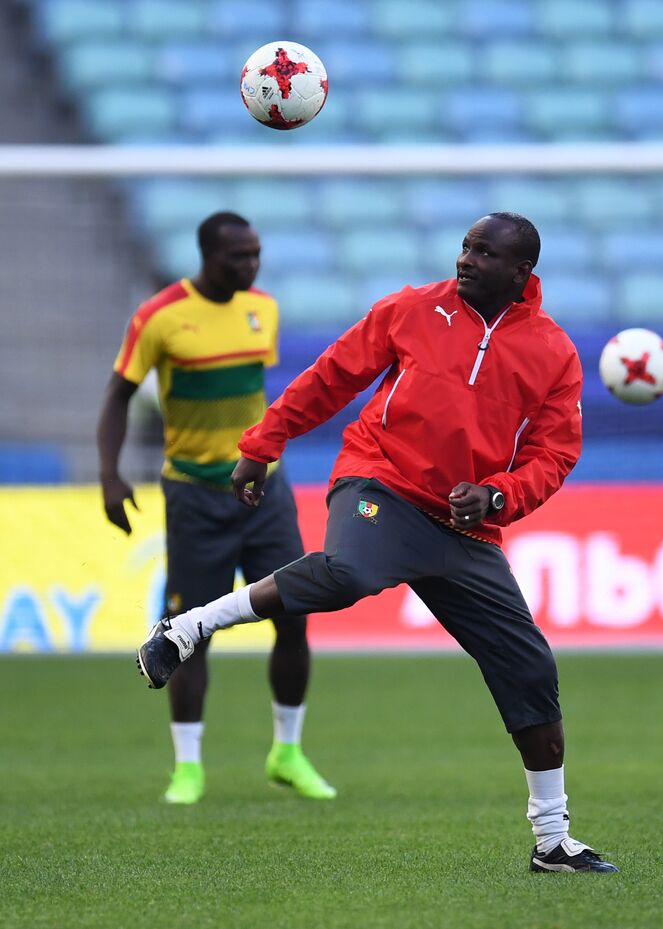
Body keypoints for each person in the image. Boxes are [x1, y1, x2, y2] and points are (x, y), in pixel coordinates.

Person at [136, 212, 618, 873]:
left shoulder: (553, 352)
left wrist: (499, 494)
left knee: (530, 667)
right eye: (465, 246)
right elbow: (332, 375)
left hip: (463, 523)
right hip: (380, 482)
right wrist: (262, 443)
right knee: (349, 574)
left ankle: (552, 840)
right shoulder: (411, 309)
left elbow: (555, 452)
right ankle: (189, 626)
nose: (467, 259)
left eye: (485, 252)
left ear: (520, 273)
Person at [98, 211, 334, 805]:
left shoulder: (265, 310)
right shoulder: (158, 318)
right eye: (239, 257)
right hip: (195, 495)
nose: (250, 266)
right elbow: (119, 396)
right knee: (191, 630)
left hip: (263, 490)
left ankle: (287, 751)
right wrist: (109, 474)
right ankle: (188, 767)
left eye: (255, 255)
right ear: (207, 255)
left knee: (294, 613)